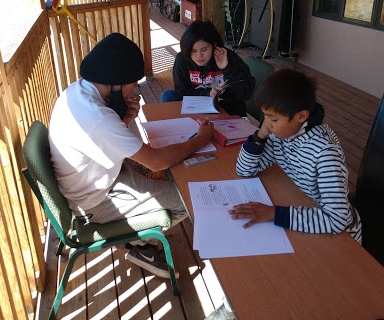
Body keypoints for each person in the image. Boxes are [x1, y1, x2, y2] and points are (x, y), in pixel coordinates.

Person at [48, 32, 214, 279]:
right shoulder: (97, 118)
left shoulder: (79, 91)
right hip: (96, 202)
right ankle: (141, 245)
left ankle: (140, 240)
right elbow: (156, 159)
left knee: (170, 174)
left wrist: (124, 120)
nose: (136, 88)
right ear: (115, 82)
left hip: (95, 181)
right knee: (191, 200)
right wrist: (201, 139)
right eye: (133, 82)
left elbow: (103, 140)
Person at [231, 68, 362, 243]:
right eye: (265, 116)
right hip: (306, 209)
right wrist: (259, 137)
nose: (267, 124)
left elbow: (338, 219)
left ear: (301, 116)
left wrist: (274, 213)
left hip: (341, 237)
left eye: (274, 119)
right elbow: (245, 169)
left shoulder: (325, 153)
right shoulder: (281, 135)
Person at [160, 19, 255, 117]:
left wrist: (226, 68)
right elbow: (182, 91)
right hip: (196, 107)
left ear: (214, 45)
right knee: (167, 95)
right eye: (193, 51)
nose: (199, 56)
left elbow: (245, 93)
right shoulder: (183, 59)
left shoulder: (228, 57)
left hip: (226, 108)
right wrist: (208, 92)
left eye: (204, 50)